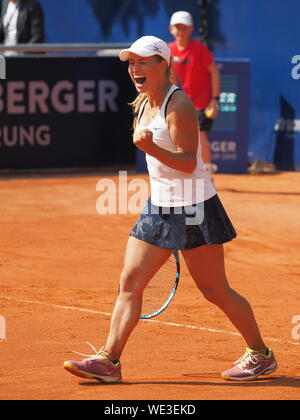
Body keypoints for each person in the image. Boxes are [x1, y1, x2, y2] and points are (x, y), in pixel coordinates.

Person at [64, 36, 277, 383]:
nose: (135, 68)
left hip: (195, 208)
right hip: (158, 208)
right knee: (130, 281)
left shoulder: (179, 105)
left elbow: (188, 160)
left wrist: (151, 147)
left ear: (162, 64)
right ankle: (109, 360)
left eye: (143, 62)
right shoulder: (143, 102)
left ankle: (260, 354)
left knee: (215, 291)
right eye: (131, 63)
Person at [169, 11, 220, 177]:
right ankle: (184, 171)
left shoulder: (199, 49)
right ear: (171, 29)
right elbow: (172, 78)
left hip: (202, 101)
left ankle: (207, 171)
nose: (181, 31)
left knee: (200, 134)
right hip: (184, 102)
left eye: (184, 28)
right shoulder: (170, 50)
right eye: (177, 27)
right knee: (177, 135)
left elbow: (214, 73)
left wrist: (215, 99)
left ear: (190, 30)